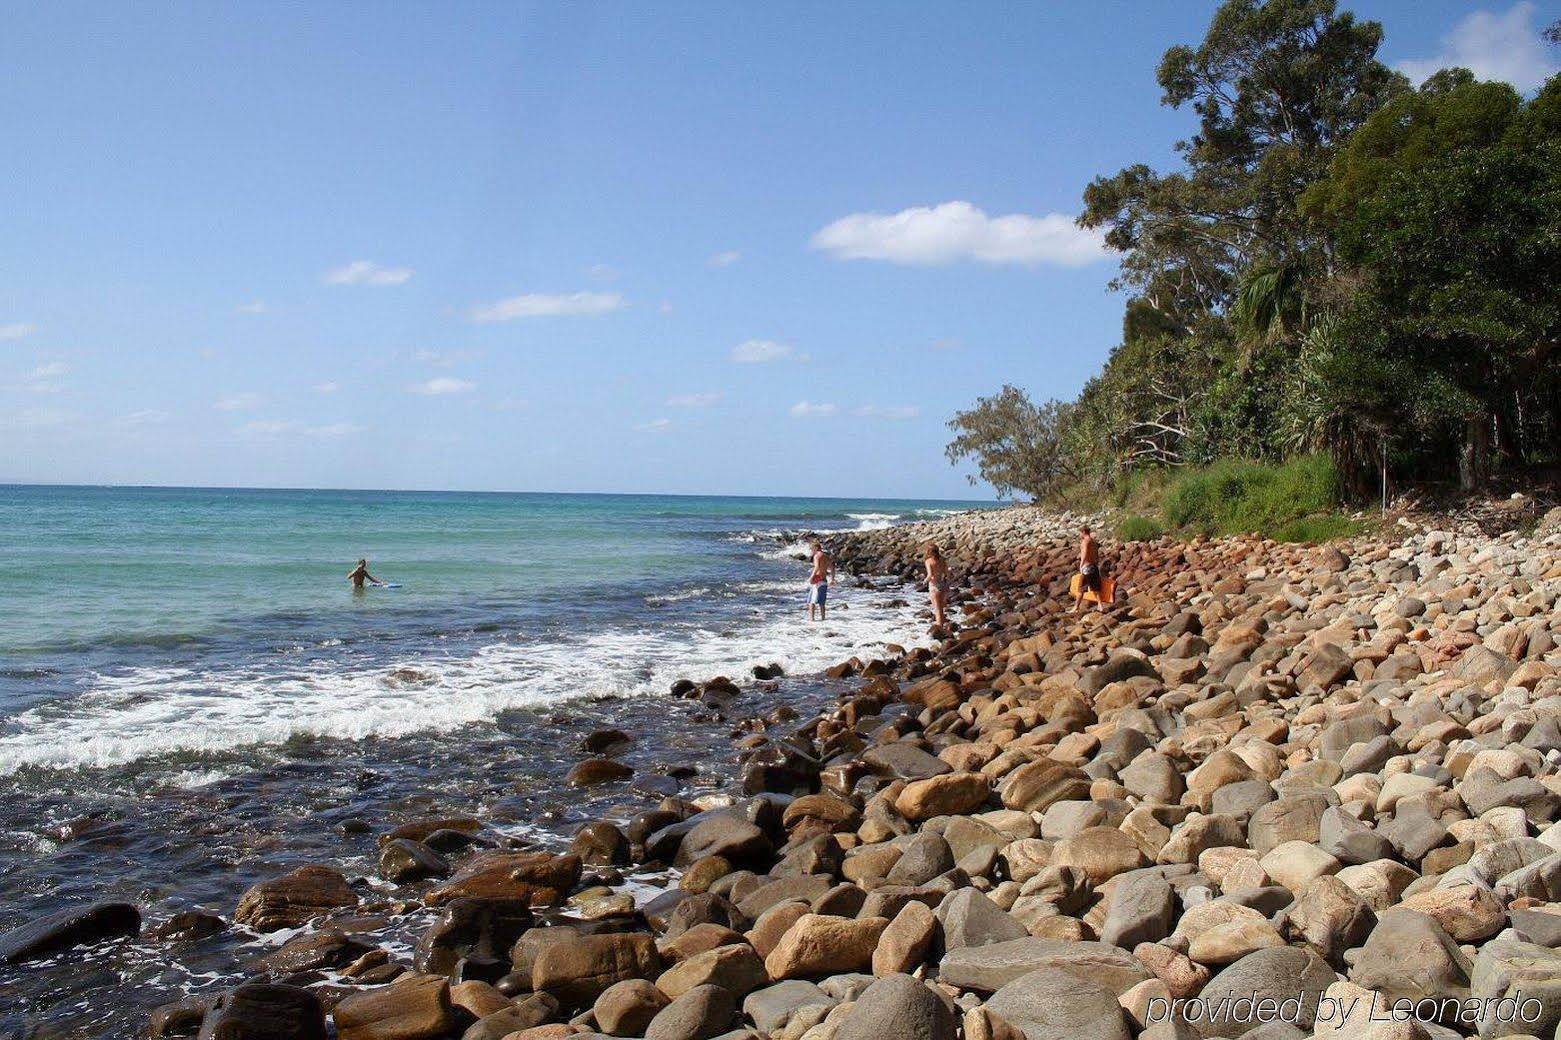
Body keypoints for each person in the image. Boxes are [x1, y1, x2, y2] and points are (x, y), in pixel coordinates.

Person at [1075, 525, 1107, 613]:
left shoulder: (1085, 542)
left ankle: (1076, 607)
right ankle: (1100, 606)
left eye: (1079, 533)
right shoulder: (1093, 542)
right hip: (1094, 566)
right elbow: (1096, 555)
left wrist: (1081, 565)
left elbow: (1084, 554)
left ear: (1083, 532)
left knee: (1081, 588)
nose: (1079, 535)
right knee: (1095, 588)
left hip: (1087, 567)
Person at [924, 543, 952, 628]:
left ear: (929, 552)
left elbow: (930, 575)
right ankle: (942, 624)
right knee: (941, 608)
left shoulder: (928, 561)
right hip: (943, 585)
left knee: (937, 608)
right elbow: (947, 573)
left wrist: (924, 582)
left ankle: (939, 626)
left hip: (934, 586)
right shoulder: (942, 560)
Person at [806, 540, 835, 621]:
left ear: (816, 548)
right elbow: (832, 567)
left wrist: (811, 577)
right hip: (824, 580)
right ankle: (823, 619)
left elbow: (817, 567)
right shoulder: (825, 556)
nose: (811, 551)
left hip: (817, 579)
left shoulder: (817, 556)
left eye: (811, 549)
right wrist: (832, 579)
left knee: (812, 601)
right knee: (822, 603)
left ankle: (811, 620)